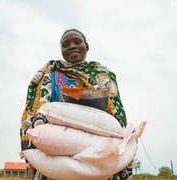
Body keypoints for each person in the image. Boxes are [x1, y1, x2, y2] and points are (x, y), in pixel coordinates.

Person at [20, 29, 133, 180]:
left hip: (98, 146)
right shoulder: (51, 73)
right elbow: (38, 110)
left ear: (87, 46)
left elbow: (116, 111)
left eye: (77, 42)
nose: (72, 46)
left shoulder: (103, 74)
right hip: (57, 147)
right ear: (61, 50)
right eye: (65, 44)